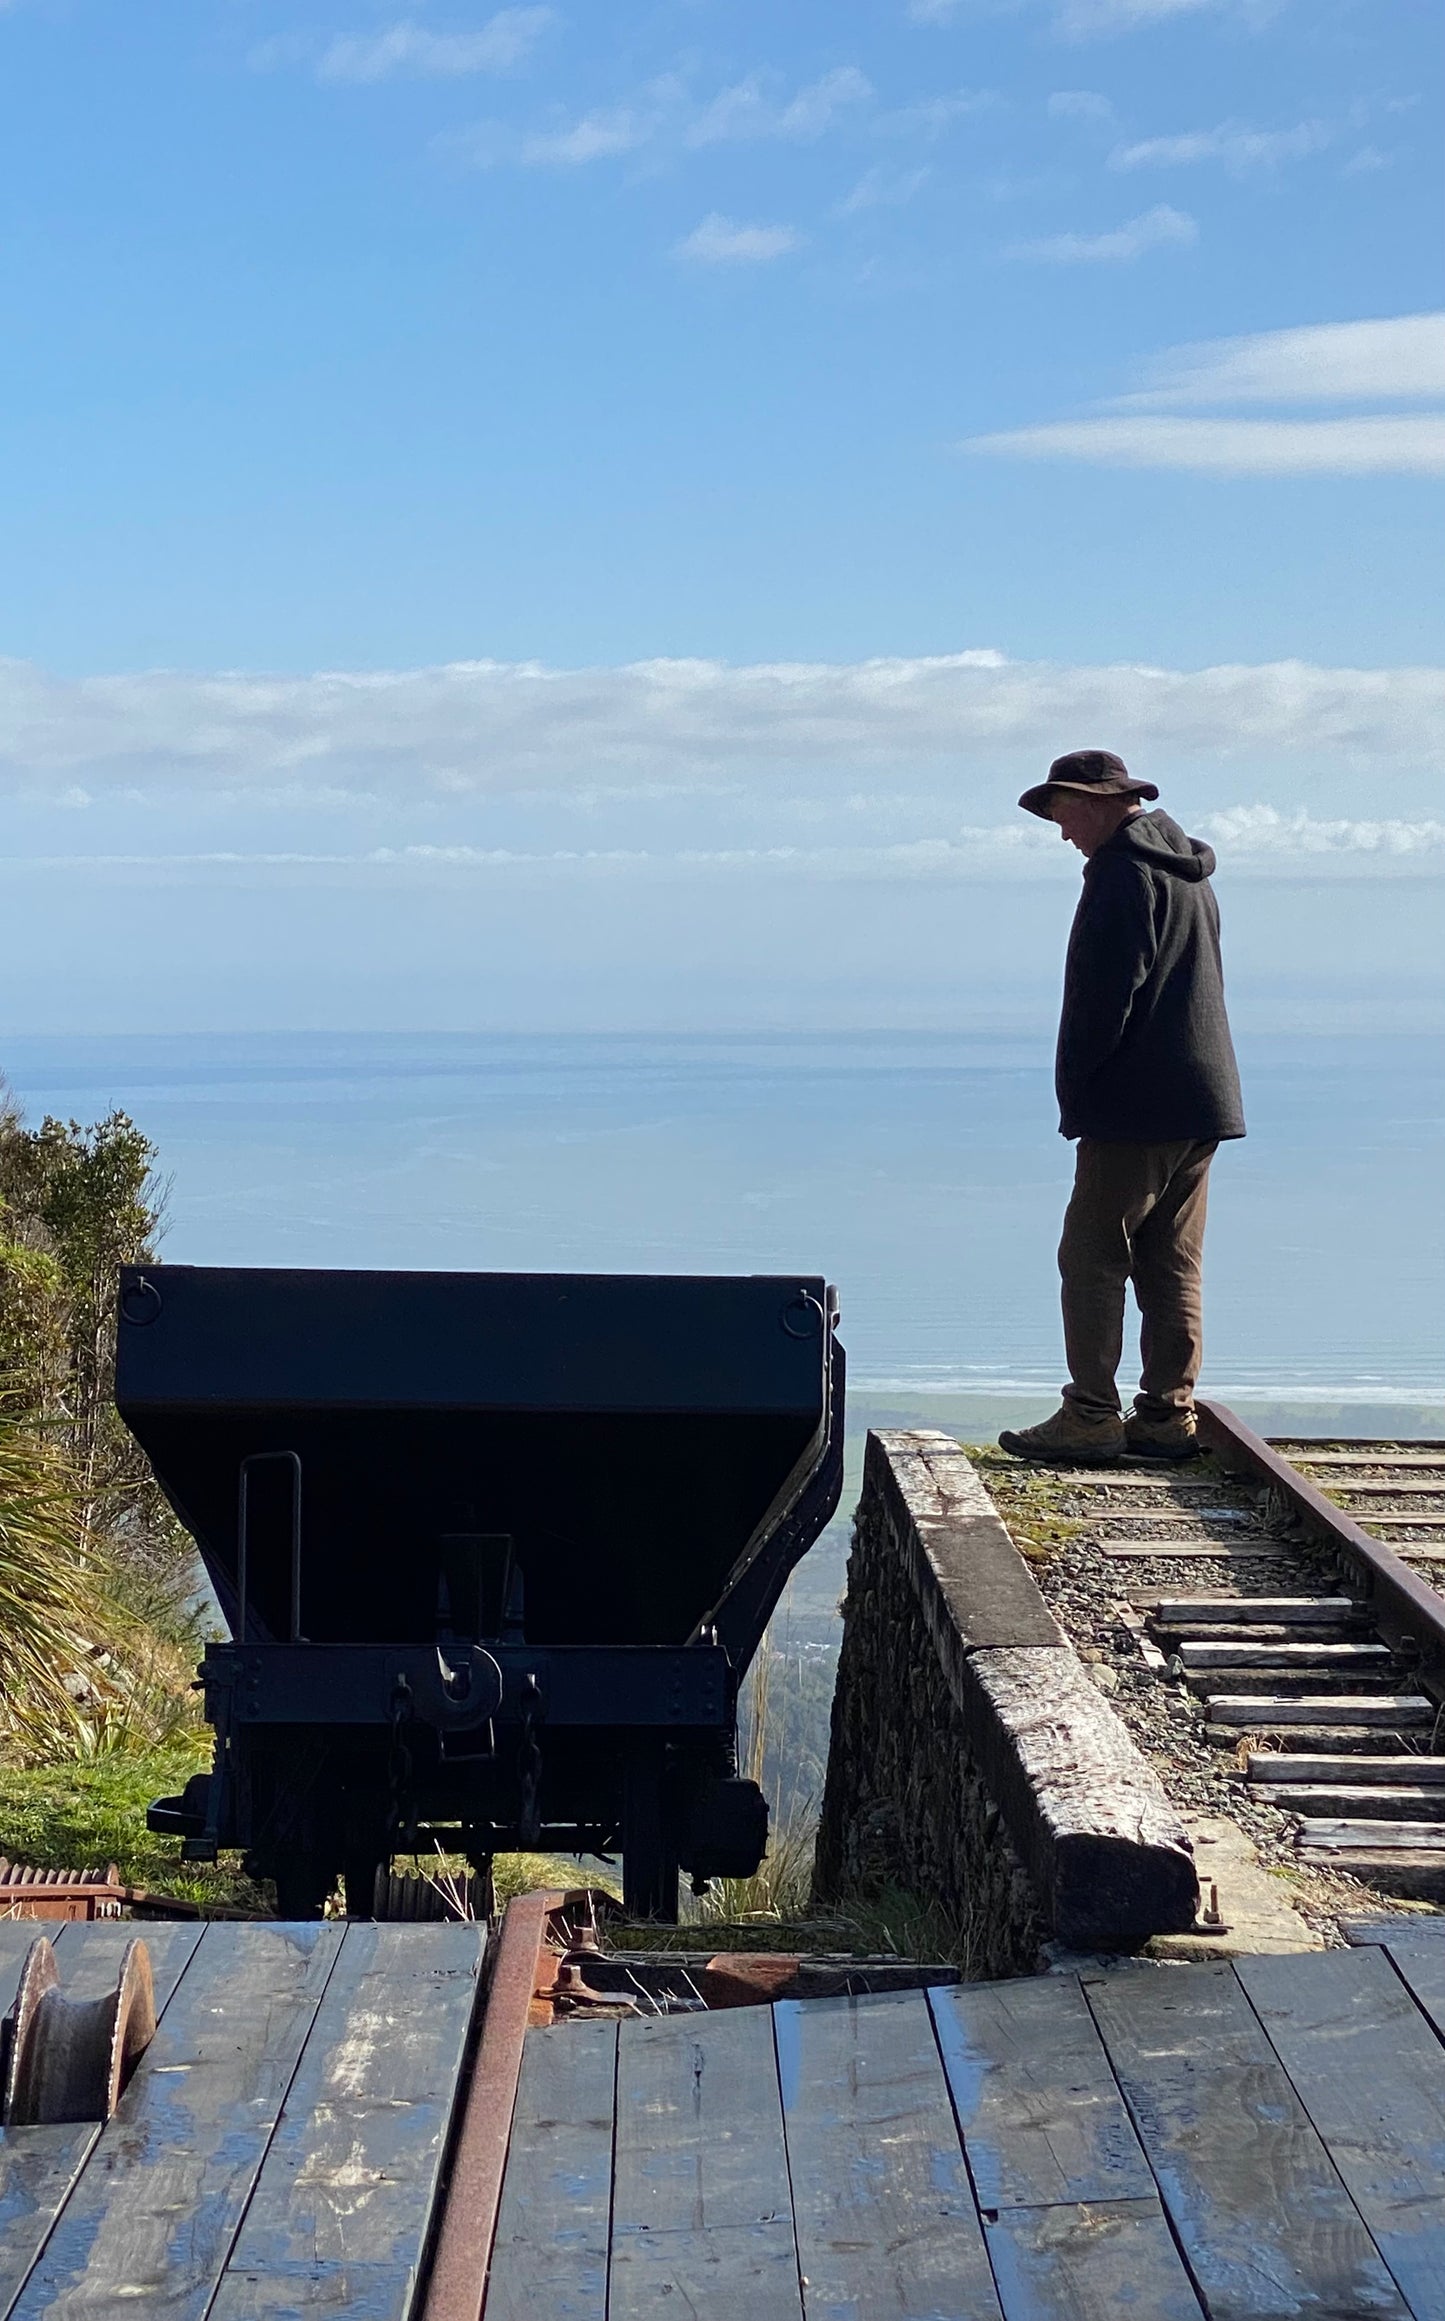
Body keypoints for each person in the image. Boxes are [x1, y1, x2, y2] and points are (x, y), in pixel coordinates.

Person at [999, 748, 1245, 1466]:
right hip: (1200, 1098)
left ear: (1102, 801)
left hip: (1134, 1102)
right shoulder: (1186, 874)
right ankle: (1167, 1415)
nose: (1061, 830)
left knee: (1091, 1254)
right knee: (1170, 1256)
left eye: (1064, 811)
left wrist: (1076, 1092)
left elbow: (1103, 998)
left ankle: (1090, 1415)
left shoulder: (1119, 873)